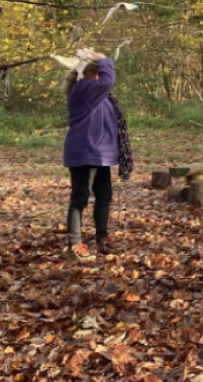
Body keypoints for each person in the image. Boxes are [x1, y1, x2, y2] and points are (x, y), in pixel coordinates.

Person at [63, 51, 125, 261]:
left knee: (104, 196)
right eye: (99, 71)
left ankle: (102, 239)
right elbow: (108, 80)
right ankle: (74, 245)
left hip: (98, 154)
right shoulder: (83, 89)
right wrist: (103, 60)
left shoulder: (95, 93)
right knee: (79, 199)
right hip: (84, 153)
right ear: (93, 73)